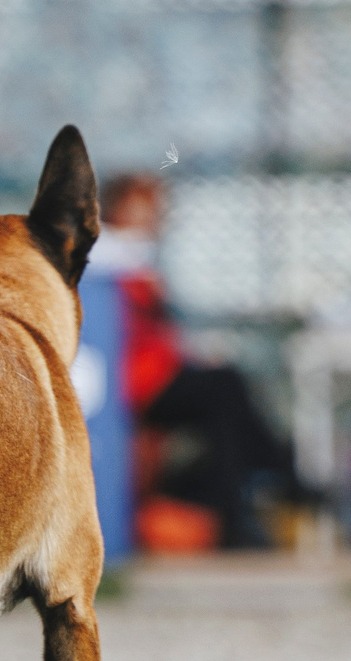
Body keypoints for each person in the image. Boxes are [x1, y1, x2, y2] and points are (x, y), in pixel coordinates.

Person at [98, 172, 297, 550]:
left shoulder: (135, 262)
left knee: (224, 404)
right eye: (144, 207)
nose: (154, 218)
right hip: (134, 383)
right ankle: (281, 477)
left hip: (152, 374)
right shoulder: (110, 257)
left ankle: (248, 504)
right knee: (224, 390)